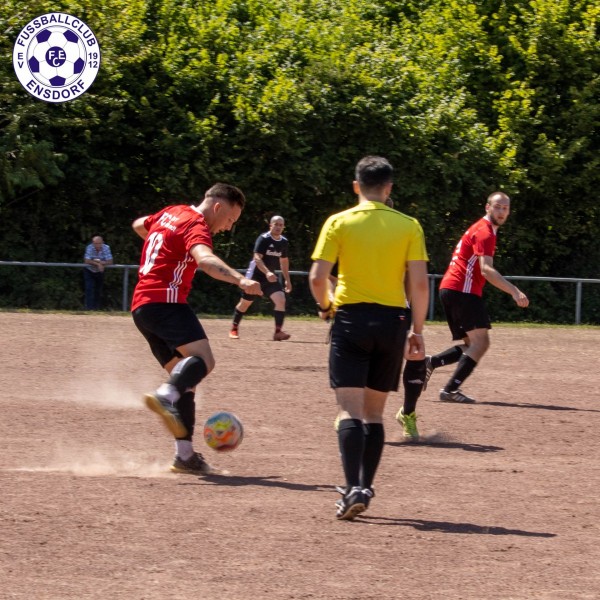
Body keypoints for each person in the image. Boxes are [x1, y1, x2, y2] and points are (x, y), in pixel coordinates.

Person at [309, 156, 429, 520]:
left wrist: (327, 307)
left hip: (351, 319)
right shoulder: (409, 225)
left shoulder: (339, 222)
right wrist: (418, 331)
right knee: (374, 414)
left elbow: (317, 278)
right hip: (393, 321)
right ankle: (366, 485)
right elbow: (420, 285)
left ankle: (351, 489)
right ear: (389, 188)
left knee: (349, 410)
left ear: (356, 185)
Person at [131, 183, 262, 475]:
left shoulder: (172, 212)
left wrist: (165, 242)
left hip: (142, 308)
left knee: (186, 382)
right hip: (167, 302)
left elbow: (140, 224)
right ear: (218, 207)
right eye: (230, 220)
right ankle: (165, 395)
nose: (227, 228)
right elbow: (205, 260)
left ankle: (185, 456)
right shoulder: (196, 225)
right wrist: (241, 280)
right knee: (204, 360)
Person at [424, 191, 529, 403]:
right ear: (487, 207)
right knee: (481, 344)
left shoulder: (482, 229)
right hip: (462, 290)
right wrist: (514, 291)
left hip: (452, 289)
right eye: (497, 207)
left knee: (472, 344)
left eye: (505, 208)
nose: (501, 211)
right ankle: (449, 390)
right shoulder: (485, 232)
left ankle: (431, 363)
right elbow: (486, 270)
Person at [229, 215, 292, 341]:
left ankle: (278, 332)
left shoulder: (284, 241)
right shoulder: (263, 239)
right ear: (270, 225)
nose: (278, 227)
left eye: (281, 225)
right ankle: (234, 328)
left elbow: (284, 261)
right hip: (255, 277)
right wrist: (267, 272)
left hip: (270, 279)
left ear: (283, 227)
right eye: (276, 224)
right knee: (245, 304)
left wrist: (287, 280)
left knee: (281, 300)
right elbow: (257, 258)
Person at [83, 235, 113, 310]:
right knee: (89, 288)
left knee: (98, 290)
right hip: (89, 270)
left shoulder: (106, 247)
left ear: (102, 242)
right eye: (96, 243)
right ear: (93, 243)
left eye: (99, 243)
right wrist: (98, 264)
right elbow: (87, 260)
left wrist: (101, 263)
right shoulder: (89, 247)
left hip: (100, 271)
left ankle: (96, 308)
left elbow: (110, 261)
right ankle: (88, 308)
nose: (98, 245)